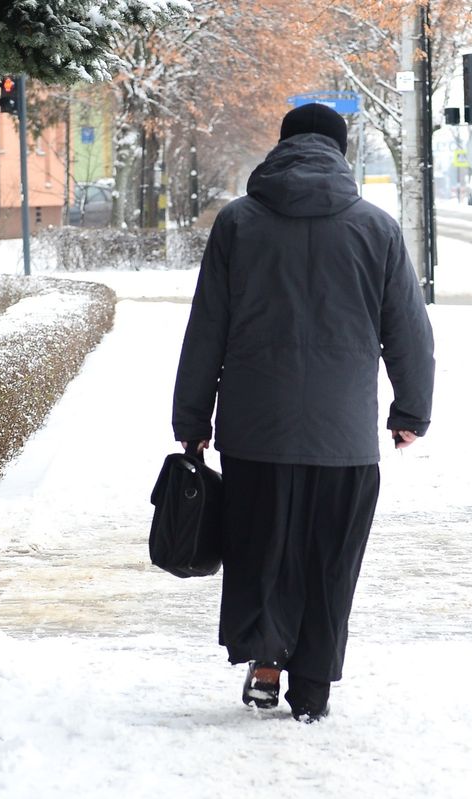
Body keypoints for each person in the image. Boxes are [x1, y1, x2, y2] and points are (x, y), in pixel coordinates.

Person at [172, 102, 435, 722]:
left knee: (262, 550)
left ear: (281, 145)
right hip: (342, 437)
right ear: (341, 153)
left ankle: (266, 665)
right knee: (329, 559)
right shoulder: (377, 228)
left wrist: (191, 420)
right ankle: (311, 688)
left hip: (254, 430)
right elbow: (409, 333)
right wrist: (411, 410)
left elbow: (205, 328)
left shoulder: (238, 223)